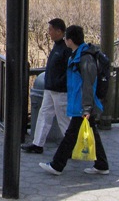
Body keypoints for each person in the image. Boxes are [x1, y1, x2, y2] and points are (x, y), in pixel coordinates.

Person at [39, 25, 109, 176]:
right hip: (82, 103)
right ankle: (102, 164)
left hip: (82, 105)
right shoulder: (80, 54)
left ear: (70, 40)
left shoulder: (84, 58)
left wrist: (86, 107)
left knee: (70, 136)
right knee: (91, 133)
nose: (64, 40)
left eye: (66, 38)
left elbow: (88, 84)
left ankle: (57, 165)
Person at [21, 18, 72, 154]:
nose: (48, 32)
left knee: (63, 120)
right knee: (44, 115)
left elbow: (69, 70)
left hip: (60, 90)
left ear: (59, 31)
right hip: (51, 88)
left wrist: (59, 83)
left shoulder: (65, 48)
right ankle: (38, 144)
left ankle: (71, 146)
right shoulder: (57, 46)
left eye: (50, 29)